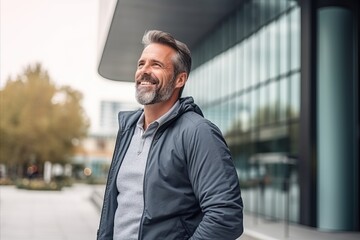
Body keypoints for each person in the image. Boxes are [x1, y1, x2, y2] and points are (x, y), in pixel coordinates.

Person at [97, 30, 243, 240]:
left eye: (156, 65)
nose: (144, 71)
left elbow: (226, 215)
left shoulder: (198, 132)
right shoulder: (129, 130)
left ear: (179, 79)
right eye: (141, 64)